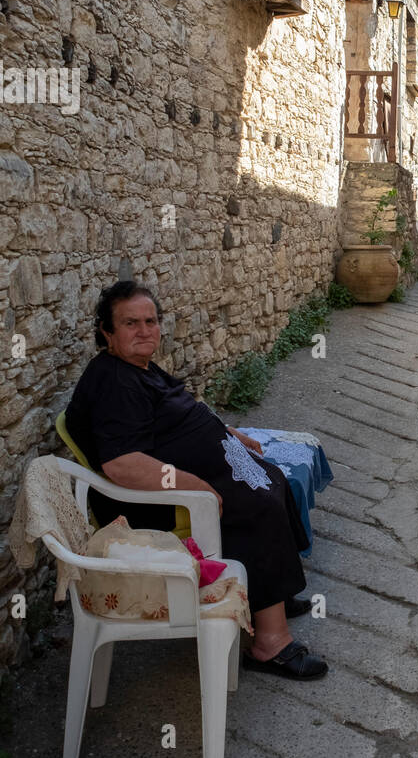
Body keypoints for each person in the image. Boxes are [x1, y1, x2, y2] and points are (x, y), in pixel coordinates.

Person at [65, 281, 327, 681]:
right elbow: (122, 464)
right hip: (153, 504)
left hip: (205, 467)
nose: (144, 330)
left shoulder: (139, 368)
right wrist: (195, 485)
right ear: (107, 330)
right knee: (255, 506)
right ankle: (270, 645)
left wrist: (231, 434)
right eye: (130, 322)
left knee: (271, 478)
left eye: (150, 321)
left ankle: (267, 593)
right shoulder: (114, 383)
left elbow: (184, 411)